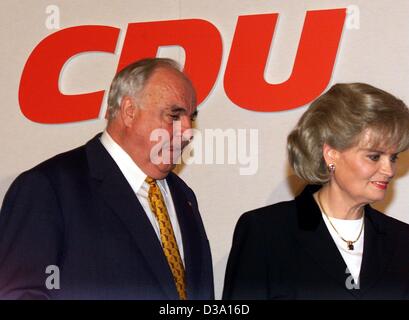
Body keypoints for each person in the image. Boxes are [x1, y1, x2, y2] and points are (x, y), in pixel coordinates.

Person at [0, 58, 214, 300]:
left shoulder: (183, 196)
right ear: (129, 112)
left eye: (191, 118)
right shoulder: (49, 188)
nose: (187, 131)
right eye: (174, 115)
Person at [223, 83, 409, 299]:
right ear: (331, 154)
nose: (388, 170)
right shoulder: (266, 232)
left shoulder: (402, 241)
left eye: (393, 158)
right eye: (374, 156)